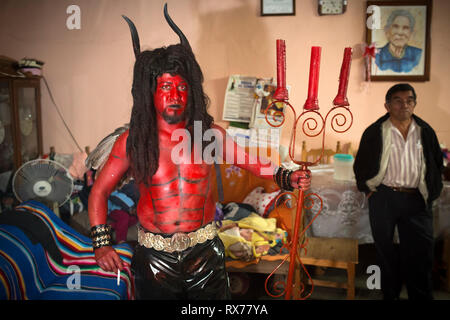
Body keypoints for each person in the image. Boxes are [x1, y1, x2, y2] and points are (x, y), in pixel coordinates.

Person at [87, 4, 311, 300]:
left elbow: (252, 163)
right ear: (149, 92)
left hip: (205, 253)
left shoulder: (208, 136)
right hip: (154, 258)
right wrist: (101, 244)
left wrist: (287, 176)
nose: (175, 96)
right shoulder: (133, 141)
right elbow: (99, 192)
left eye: (182, 88)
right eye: (166, 87)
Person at [354, 83, 443, 300]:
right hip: (384, 198)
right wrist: (368, 188)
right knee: (386, 254)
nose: (404, 105)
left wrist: (431, 193)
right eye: (398, 100)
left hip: (416, 200)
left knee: (420, 255)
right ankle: (390, 296)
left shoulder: (426, 131)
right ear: (387, 105)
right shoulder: (375, 132)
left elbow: (436, 165)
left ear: (414, 104)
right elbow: (361, 165)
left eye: (409, 100)